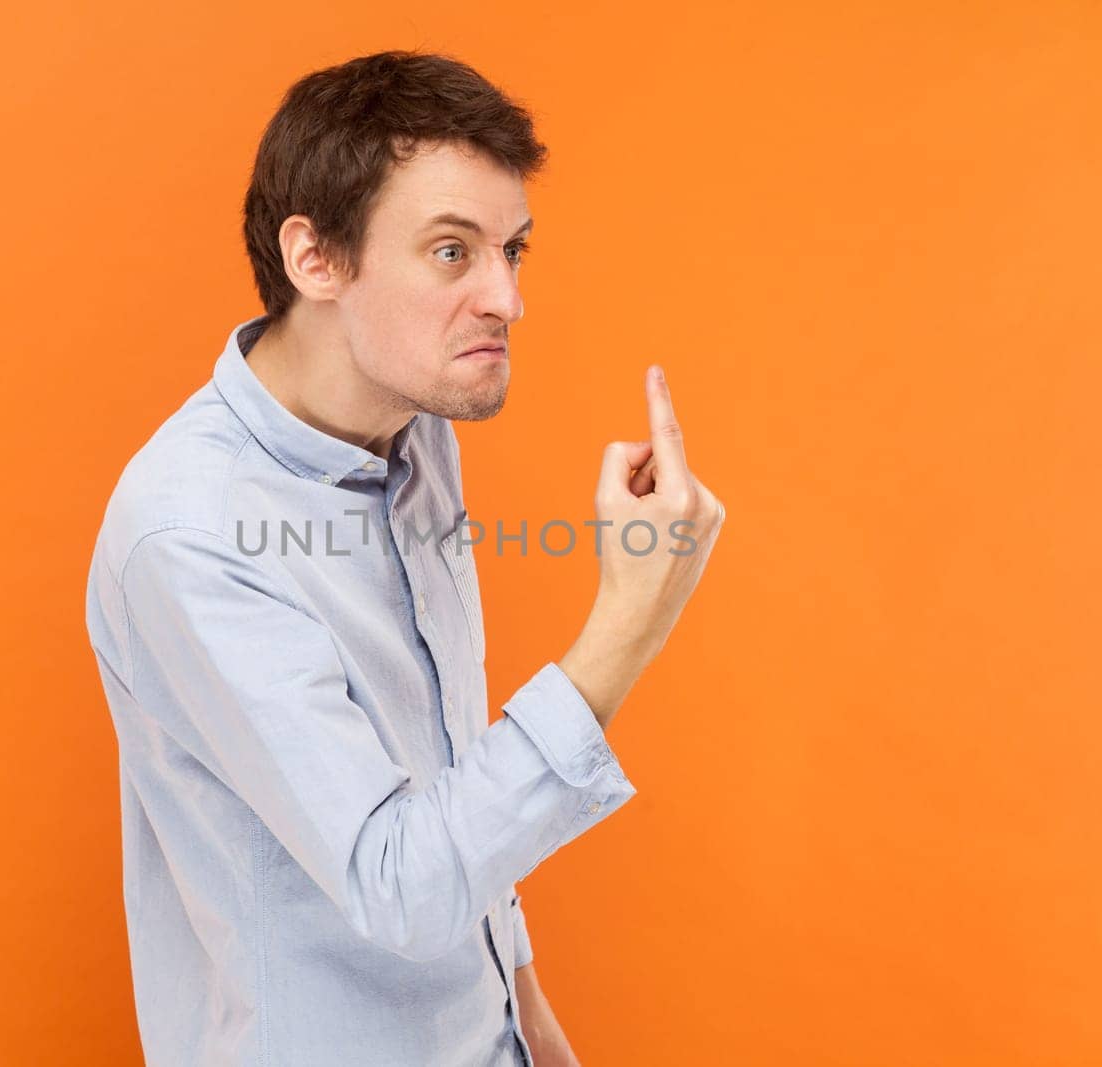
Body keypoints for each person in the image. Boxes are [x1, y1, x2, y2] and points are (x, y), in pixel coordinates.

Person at [83, 49, 725, 1066]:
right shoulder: (190, 530)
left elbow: (446, 767)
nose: (505, 299)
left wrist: (532, 1025)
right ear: (316, 259)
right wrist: (627, 620)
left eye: (512, 250)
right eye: (450, 252)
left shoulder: (415, 435)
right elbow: (397, 879)